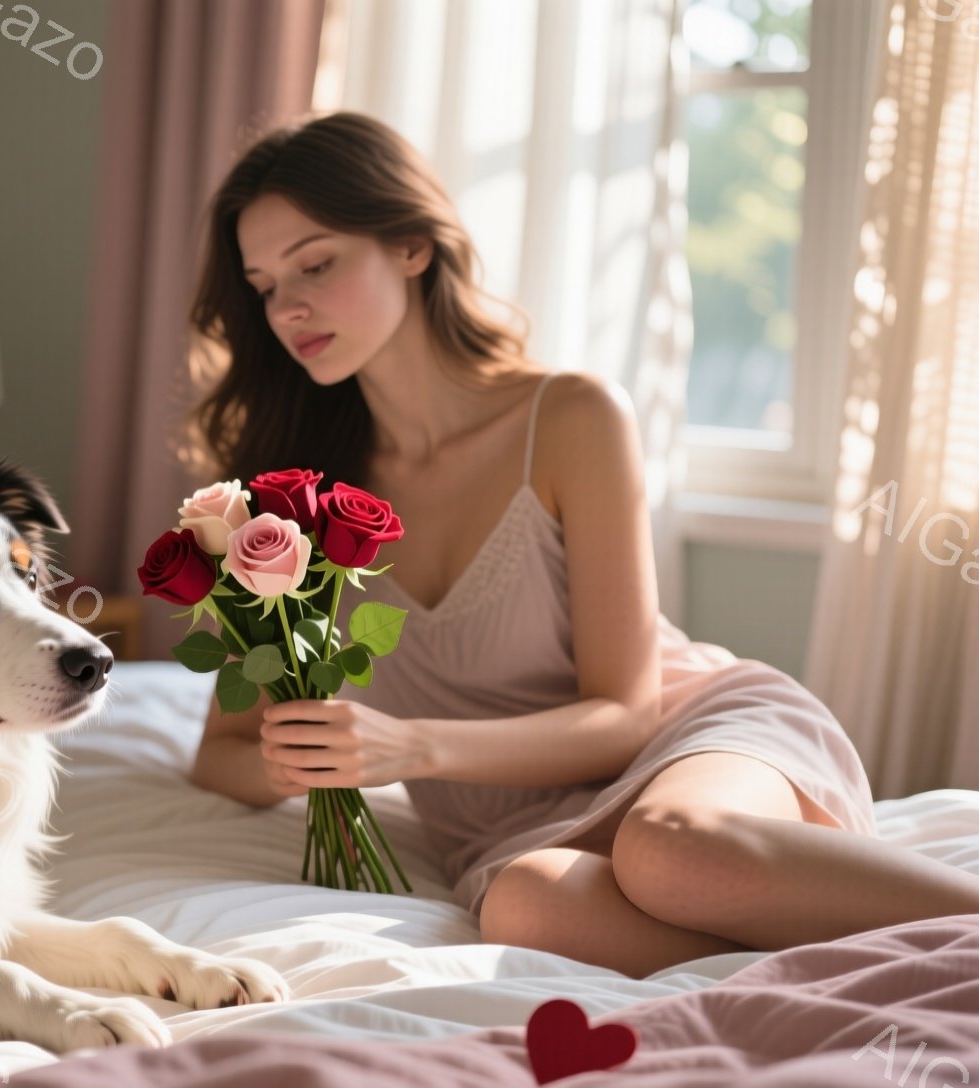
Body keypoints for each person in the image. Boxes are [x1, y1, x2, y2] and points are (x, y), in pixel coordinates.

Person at [184, 111, 979, 977]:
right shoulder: (287, 500)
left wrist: (413, 746)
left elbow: (624, 713)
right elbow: (221, 755)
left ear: (412, 246)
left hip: (687, 748)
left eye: (316, 262)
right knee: (529, 908)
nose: (287, 305)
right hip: (506, 829)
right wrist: (304, 758)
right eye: (264, 285)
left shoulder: (568, 417)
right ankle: (910, 955)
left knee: (671, 849)